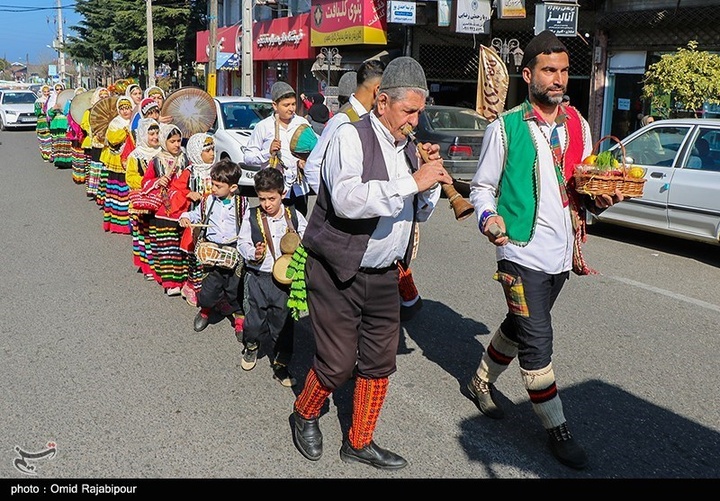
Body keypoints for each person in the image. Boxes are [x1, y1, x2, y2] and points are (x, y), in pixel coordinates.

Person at [465, 30, 624, 471]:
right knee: (538, 341)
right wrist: (488, 218)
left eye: (563, 70)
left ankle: (479, 381)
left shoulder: (579, 125)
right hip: (518, 251)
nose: (558, 79)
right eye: (548, 70)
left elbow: (582, 186)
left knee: (520, 328)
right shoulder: (506, 127)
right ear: (528, 73)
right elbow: (481, 187)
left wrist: (599, 200)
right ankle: (558, 429)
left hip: (559, 254)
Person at [290, 56, 451, 469]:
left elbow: (418, 212)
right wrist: (411, 181)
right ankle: (305, 412)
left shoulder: (409, 148)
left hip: (384, 274)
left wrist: (430, 183)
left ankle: (359, 441)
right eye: (408, 111)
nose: (415, 121)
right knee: (337, 363)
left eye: (420, 112)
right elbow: (346, 201)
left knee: (380, 361)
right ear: (382, 102)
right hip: (337, 269)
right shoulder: (350, 135)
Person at [236, 167, 307, 387]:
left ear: (282, 194)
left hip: (284, 283)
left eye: (272, 198)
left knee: (283, 324)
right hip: (257, 277)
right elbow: (242, 243)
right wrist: (253, 253)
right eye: (262, 198)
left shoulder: (294, 215)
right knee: (254, 320)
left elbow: (308, 239)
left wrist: (299, 244)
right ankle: (251, 345)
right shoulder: (251, 216)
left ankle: (281, 362)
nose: (267, 204)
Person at [179, 159, 248, 339]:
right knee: (209, 288)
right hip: (212, 253)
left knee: (235, 289)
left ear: (232, 188)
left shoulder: (243, 204)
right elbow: (196, 214)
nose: (214, 189)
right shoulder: (208, 201)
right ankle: (205, 310)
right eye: (213, 184)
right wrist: (186, 217)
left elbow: (249, 226)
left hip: (234, 252)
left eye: (218, 186)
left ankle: (240, 319)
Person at [244, 81, 313, 216]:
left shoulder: (302, 124)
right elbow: (248, 158)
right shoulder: (263, 127)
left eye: (293, 104)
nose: (291, 109)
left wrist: (306, 160)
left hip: (299, 188)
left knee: (298, 228)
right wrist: (268, 153)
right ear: (275, 105)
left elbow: (315, 150)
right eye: (286, 105)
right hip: (274, 191)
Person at [141, 123, 192, 296]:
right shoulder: (156, 160)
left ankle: (184, 279)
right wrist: (157, 182)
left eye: (179, 141)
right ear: (164, 142)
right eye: (172, 141)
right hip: (164, 210)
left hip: (183, 208)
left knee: (182, 246)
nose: (177, 145)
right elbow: (145, 183)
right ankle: (170, 282)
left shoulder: (187, 159)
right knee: (167, 247)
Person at [179, 132, 219, 307]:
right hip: (196, 219)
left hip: (215, 219)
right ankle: (192, 287)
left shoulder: (218, 171)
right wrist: (188, 193)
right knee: (196, 256)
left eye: (213, 149)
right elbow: (177, 189)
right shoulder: (190, 172)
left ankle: (211, 290)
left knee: (212, 256)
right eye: (207, 150)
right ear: (196, 152)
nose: (212, 153)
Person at [126, 118, 161, 280]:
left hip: (160, 199)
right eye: (151, 133)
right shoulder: (136, 155)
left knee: (157, 233)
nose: (155, 137)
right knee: (144, 234)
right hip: (143, 200)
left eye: (157, 133)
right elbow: (130, 177)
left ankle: (160, 266)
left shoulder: (162, 152)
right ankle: (147, 266)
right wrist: (148, 183)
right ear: (142, 134)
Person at [99, 95, 135, 234]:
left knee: (128, 192)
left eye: (128, 108)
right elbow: (112, 140)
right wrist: (125, 131)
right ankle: (117, 223)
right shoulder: (115, 123)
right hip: (118, 162)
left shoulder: (135, 121)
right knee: (118, 192)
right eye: (122, 109)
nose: (125, 111)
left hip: (131, 160)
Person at [83, 87, 110, 200]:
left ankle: (104, 192)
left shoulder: (113, 111)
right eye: (101, 97)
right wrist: (94, 132)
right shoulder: (89, 112)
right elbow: (85, 125)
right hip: (97, 142)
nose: (103, 99)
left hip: (109, 144)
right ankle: (95, 190)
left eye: (106, 97)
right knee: (97, 166)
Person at [46, 82, 72, 169]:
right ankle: (59, 161)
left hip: (65, 124)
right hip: (56, 125)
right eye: (57, 89)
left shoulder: (68, 99)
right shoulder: (52, 100)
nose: (59, 91)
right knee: (57, 144)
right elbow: (49, 114)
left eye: (61, 89)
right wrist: (53, 108)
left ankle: (67, 162)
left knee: (66, 144)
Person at [34, 85, 52, 162]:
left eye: (48, 91)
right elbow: (36, 112)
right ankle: (45, 155)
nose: (46, 93)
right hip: (42, 122)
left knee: (50, 139)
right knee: (43, 140)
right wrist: (42, 110)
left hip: (50, 122)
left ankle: (51, 155)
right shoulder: (38, 101)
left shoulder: (52, 100)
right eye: (45, 92)